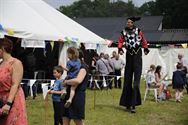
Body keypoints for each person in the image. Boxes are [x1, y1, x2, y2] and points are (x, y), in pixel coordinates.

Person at [118, 17, 150, 113]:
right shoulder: (123, 32)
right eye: (127, 22)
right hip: (129, 55)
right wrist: (119, 48)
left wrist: (145, 48)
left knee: (136, 83)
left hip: (137, 55)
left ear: (133, 23)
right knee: (127, 81)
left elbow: (143, 40)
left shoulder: (138, 31)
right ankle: (127, 104)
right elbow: (120, 41)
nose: (128, 23)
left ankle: (133, 105)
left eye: (130, 22)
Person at [0, 37, 28, 125]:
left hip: (13, 100)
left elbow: (15, 84)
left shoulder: (16, 63)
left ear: (2, 49)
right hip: (1, 100)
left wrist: (8, 103)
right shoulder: (1, 64)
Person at [62, 50, 89, 125]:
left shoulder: (83, 67)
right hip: (68, 94)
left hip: (77, 96)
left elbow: (78, 80)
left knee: (77, 120)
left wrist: (66, 82)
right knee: (65, 117)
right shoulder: (73, 65)